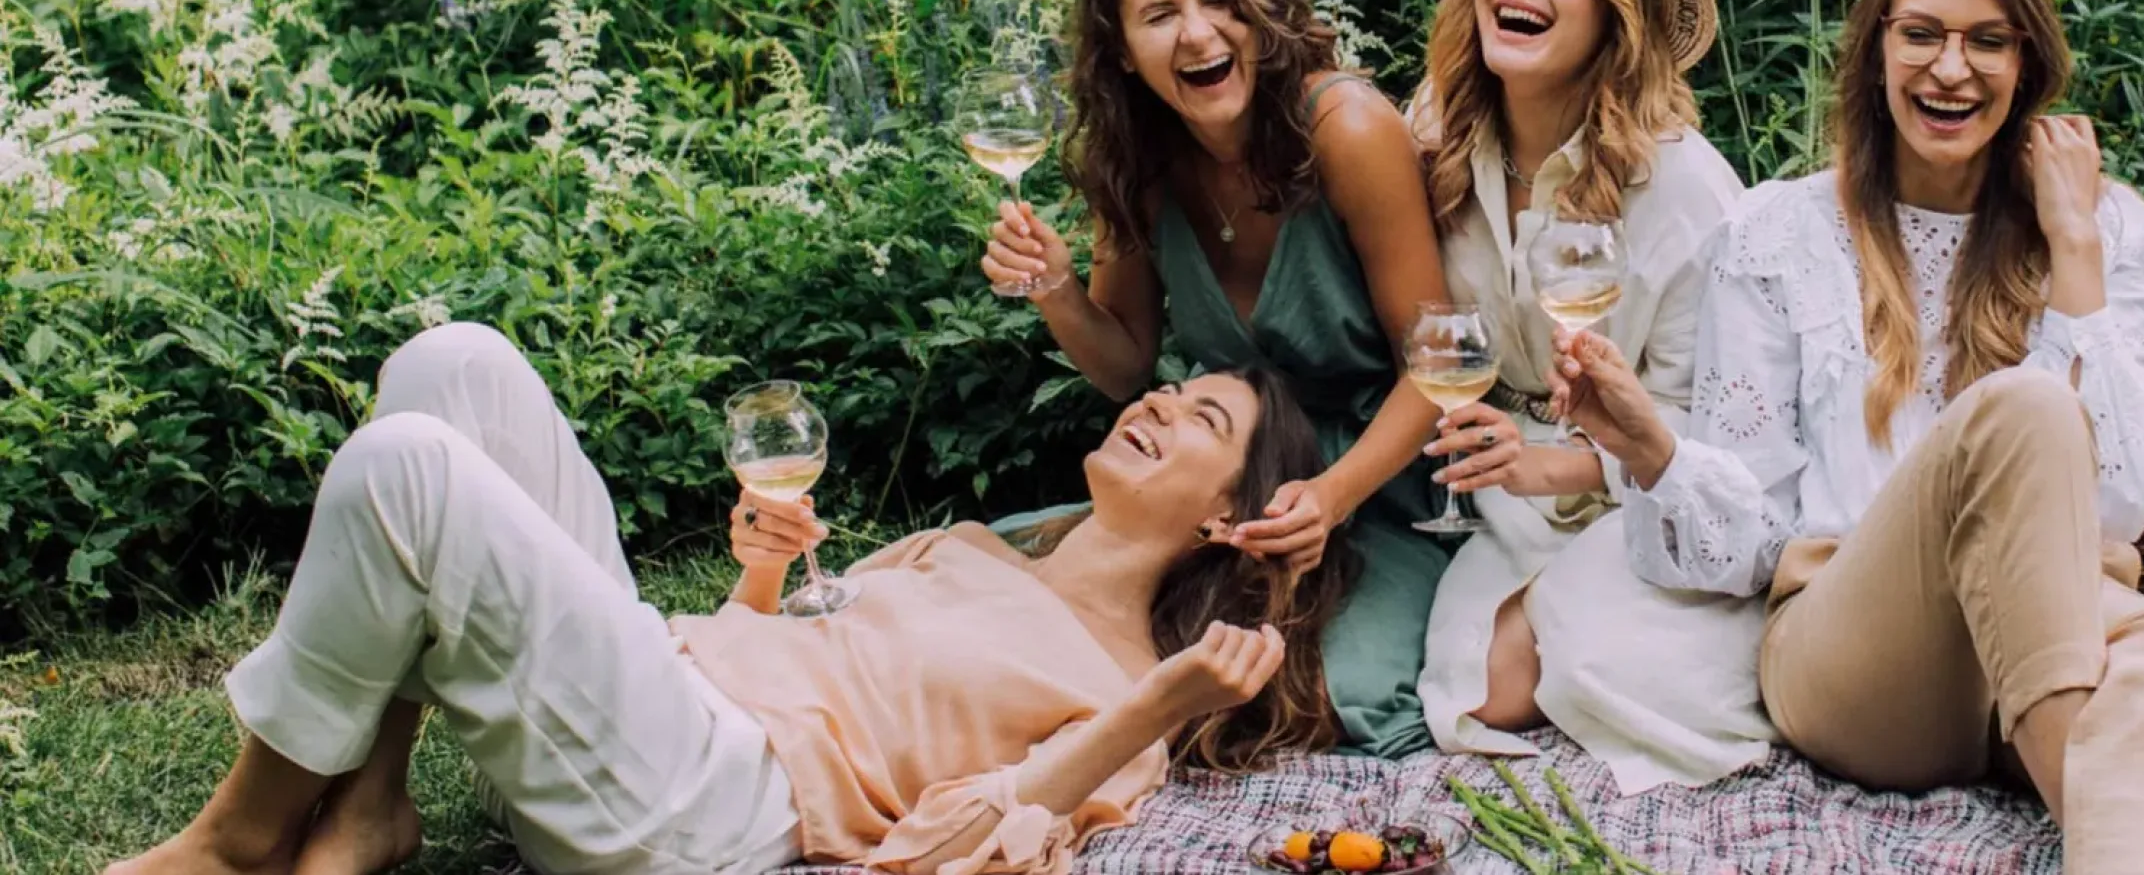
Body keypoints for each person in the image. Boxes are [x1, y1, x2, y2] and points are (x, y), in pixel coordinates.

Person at [108, 321, 1352, 875]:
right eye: (1163, 392)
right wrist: (759, 570)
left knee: (406, 470)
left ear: (1222, 514)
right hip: (666, 686)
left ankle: (238, 841)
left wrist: (1154, 709)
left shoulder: (1121, 689)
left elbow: (945, 852)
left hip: (708, 807)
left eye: (1199, 421)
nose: (1151, 405)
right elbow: (772, 644)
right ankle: (371, 807)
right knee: (454, 368)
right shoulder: (968, 545)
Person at [1551, 0, 2144, 871]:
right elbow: (1749, 537)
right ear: (1876, 50)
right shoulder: (1778, 234)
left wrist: (2076, 251)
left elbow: (2120, 512)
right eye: (1921, 33)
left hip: (2042, 629)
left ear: (2027, 64)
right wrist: (1653, 451)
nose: (1951, 68)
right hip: (1853, 656)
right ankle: (2110, 772)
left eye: (1986, 41)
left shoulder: (2105, 228)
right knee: (2026, 409)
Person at [980, 0, 1453, 758]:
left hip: (1374, 489)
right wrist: (1054, 289)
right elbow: (1126, 366)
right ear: (1122, 52)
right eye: (1159, 15)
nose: (1198, 35)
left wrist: (1331, 496)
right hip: (1218, 488)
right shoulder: (1139, 162)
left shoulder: (1346, 130)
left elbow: (1439, 365)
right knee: (1010, 586)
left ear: (1261, 12)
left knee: (1337, 695)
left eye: (1220, 1)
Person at [1401, 0, 1762, 794]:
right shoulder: (1439, 130)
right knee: (1472, 694)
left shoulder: (1684, 189)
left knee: (1578, 670)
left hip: (1638, 500)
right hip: (1499, 495)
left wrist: (1554, 463)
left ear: (1617, 11)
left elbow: (1717, 436)